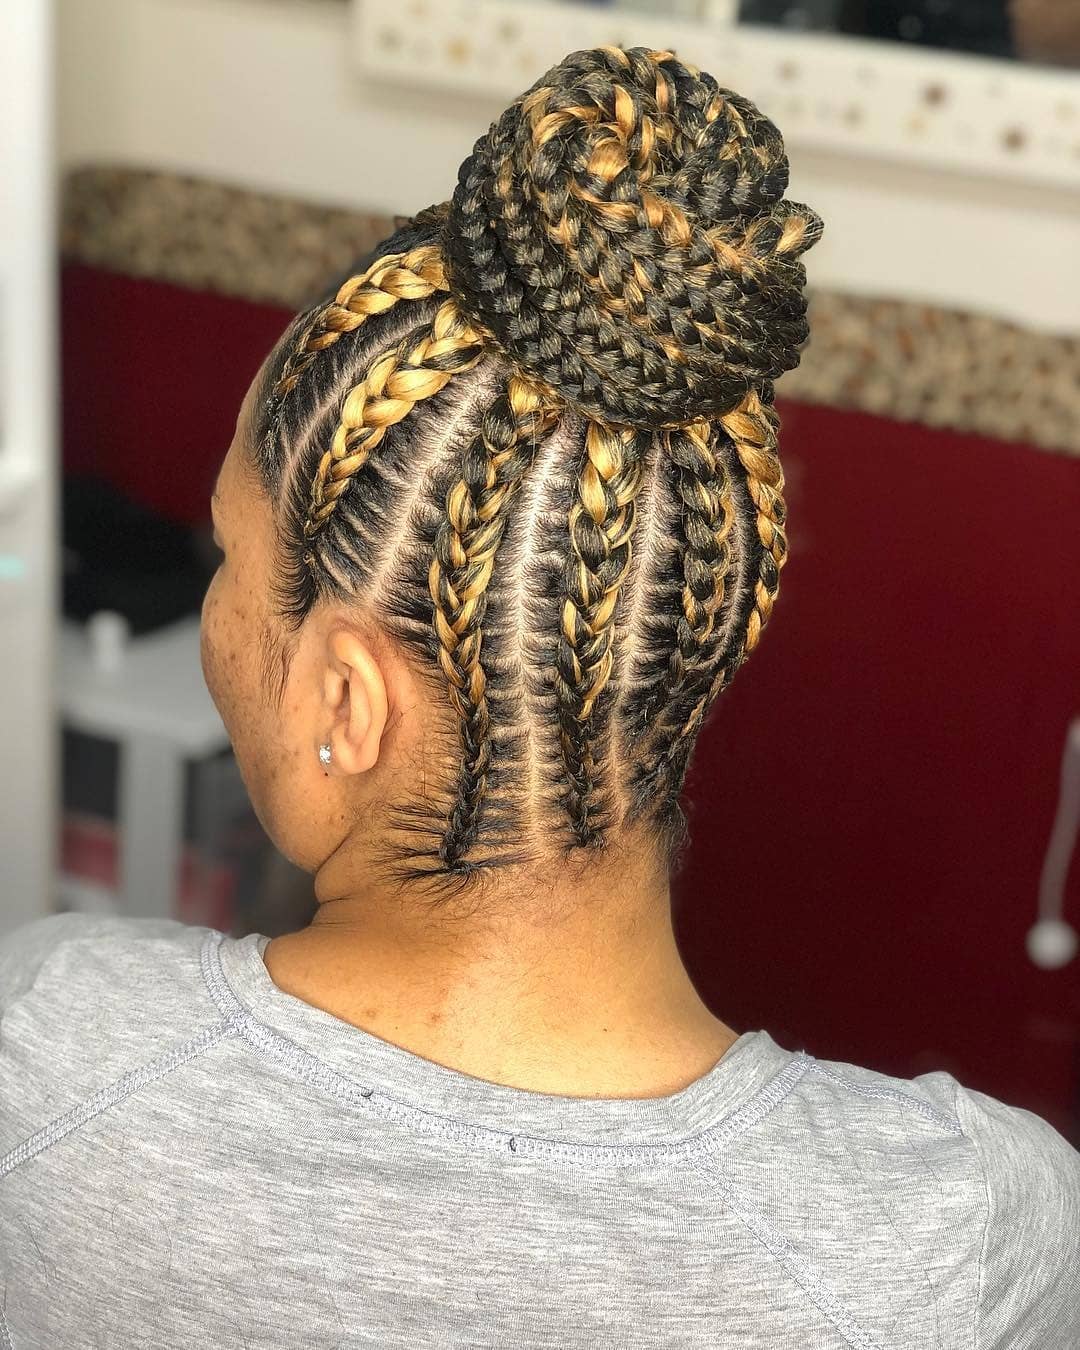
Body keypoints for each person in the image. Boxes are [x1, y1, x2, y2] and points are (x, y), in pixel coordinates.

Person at [1, 44, 1077, 1348]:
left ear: (347, 697)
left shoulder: (46, 1056)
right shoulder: (968, 1242)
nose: (218, 605)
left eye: (230, 553)